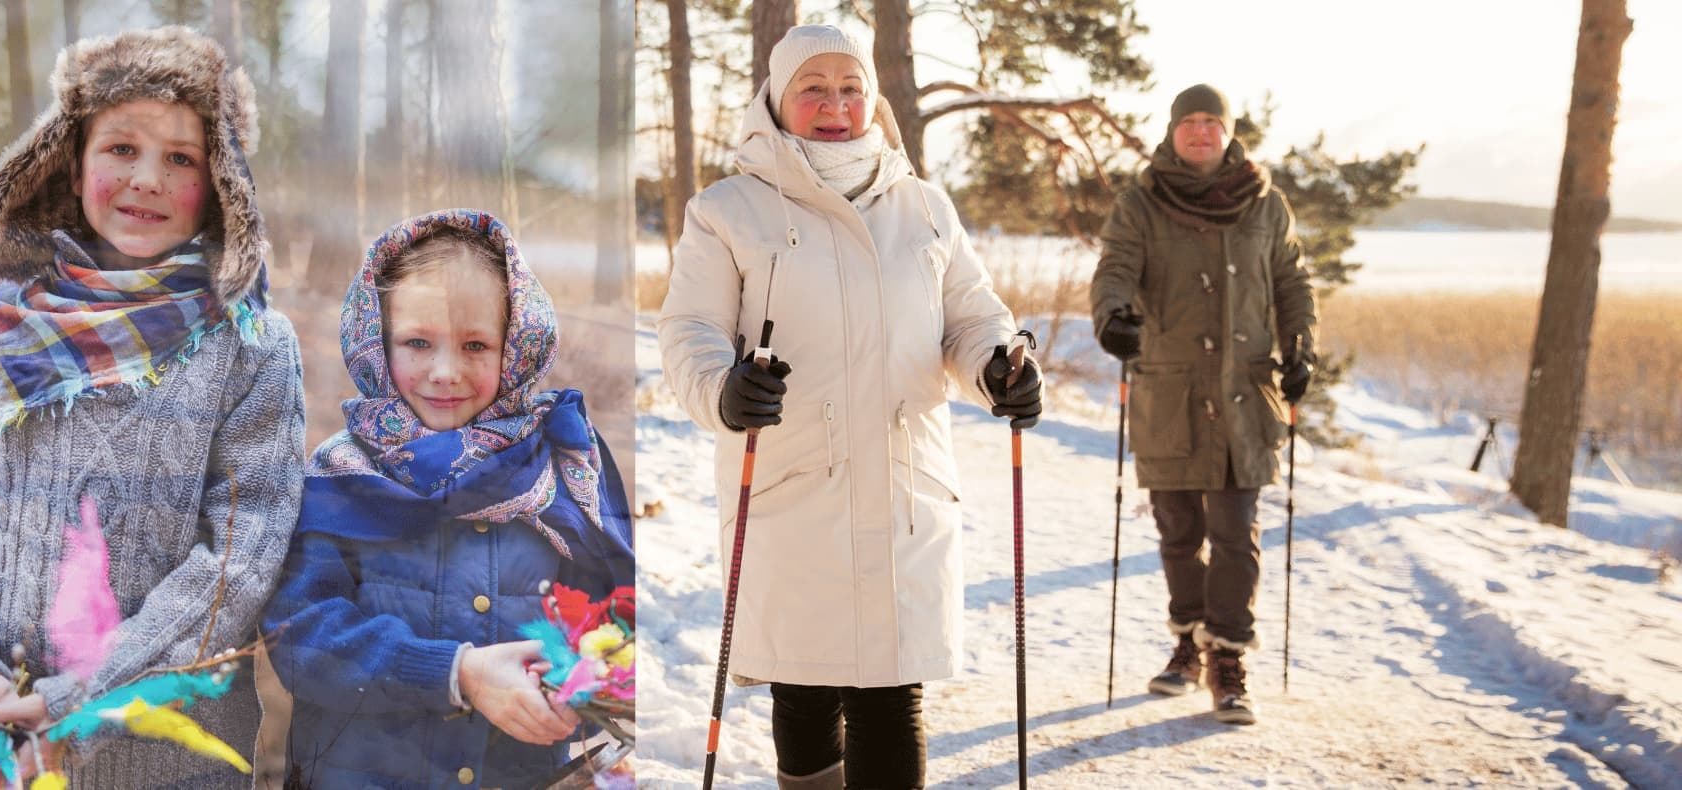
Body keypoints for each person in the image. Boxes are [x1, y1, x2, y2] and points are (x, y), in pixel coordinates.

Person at [0, 26, 305, 784]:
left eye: (180, 158)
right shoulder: (6, 328)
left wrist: (80, 697)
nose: (146, 178)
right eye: (121, 148)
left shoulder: (251, 349)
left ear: (221, 184)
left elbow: (236, 567)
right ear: (70, 161)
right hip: (0, 741)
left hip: (176, 755)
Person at [658, 24, 1040, 788]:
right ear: (777, 97)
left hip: (904, 487)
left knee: (892, 694)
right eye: (814, 88)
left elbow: (971, 317)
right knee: (804, 688)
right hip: (792, 481)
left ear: (873, 100)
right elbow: (690, 331)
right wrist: (723, 391)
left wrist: (998, 366)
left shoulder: (925, 207)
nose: (835, 105)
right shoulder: (727, 210)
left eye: (850, 88)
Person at [262, 210, 636, 788]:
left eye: (475, 345)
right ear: (376, 341)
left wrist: (584, 685)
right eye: (418, 342)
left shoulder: (562, 466)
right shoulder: (340, 475)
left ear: (515, 347)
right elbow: (301, 637)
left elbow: (613, 618)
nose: (445, 371)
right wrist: (457, 673)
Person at [1089, 83, 1318, 726]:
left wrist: (1302, 347)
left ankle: (1227, 658)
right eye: (1187, 122)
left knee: (1236, 534)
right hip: (1172, 392)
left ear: (1227, 131)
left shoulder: (1265, 204)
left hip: (1244, 394)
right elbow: (1115, 268)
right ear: (1171, 132)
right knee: (1180, 533)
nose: (1198, 132)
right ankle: (1187, 642)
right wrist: (1114, 317)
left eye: (1209, 122)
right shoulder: (1141, 202)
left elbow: (1292, 281)